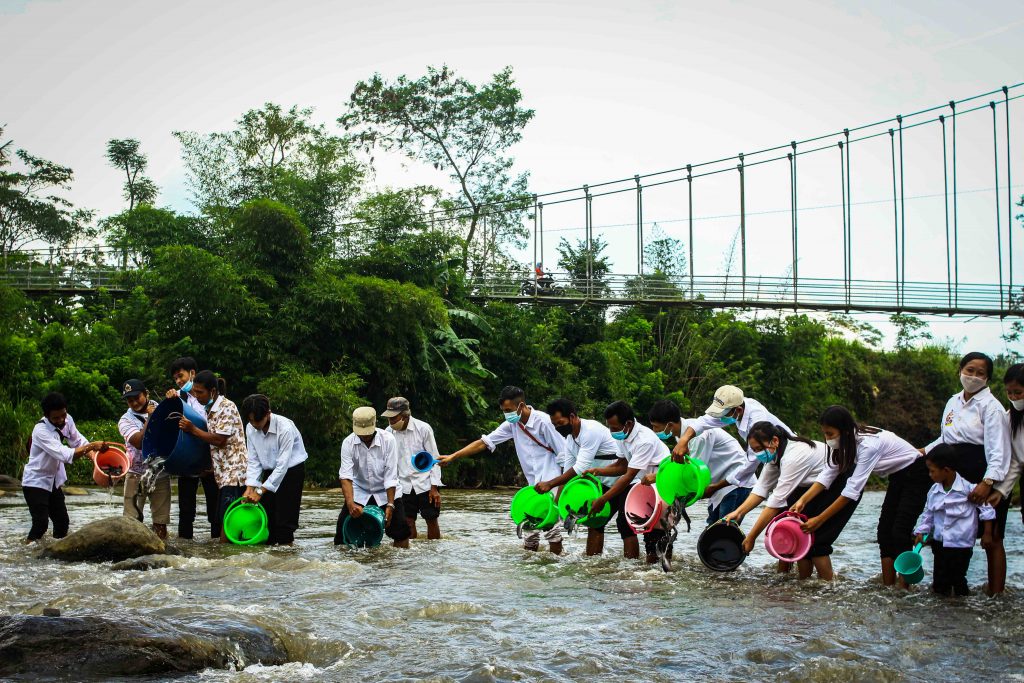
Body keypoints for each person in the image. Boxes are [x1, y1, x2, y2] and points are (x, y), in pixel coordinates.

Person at [790, 405, 929, 586]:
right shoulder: (844, 444)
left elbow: (851, 492)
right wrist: (803, 500)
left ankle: (903, 589)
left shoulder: (868, 445)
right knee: (884, 532)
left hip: (916, 472)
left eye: (830, 434)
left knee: (899, 532)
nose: (827, 439)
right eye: (825, 434)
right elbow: (828, 474)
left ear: (845, 431)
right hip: (897, 476)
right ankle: (888, 587)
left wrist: (820, 519)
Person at [439, 386, 566, 554]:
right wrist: (453, 456)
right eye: (504, 411)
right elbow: (484, 442)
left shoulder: (544, 422)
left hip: (552, 483)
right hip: (532, 488)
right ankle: (531, 569)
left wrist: (558, 495)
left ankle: (556, 567)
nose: (506, 414)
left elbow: (565, 457)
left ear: (521, 405)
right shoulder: (513, 424)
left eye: (508, 410)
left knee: (552, 531)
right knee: (528, 528)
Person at [923, 351, 1010, 595]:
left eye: (980, 373)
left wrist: (987, 482)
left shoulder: (992, 407)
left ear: (988, 378)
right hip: (952, 474)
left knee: (992, 538)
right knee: (950, 530)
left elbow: (998, 450)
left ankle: (996, 595)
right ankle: (948, 587)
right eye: (969, 370)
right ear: (960, 370)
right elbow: (945, 438)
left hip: (980, 473)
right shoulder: (953, 402)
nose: (973, 376)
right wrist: (924, 450)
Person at [723, 422, 836, 579]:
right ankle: (803, 583)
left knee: (817, 544)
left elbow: (775, 502)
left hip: (836, 484)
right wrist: (738, 512)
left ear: (774, 441)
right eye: (754, 450)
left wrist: (751, 537)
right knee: (799, 534)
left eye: (759, 449)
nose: (757, 454)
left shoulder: (793, 456)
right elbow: (761, 489)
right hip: (811, 487)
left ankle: (828, 588)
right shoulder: (775, 457)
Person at [533, 398, 635, 557]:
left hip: (626, 479)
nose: (558, 428)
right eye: (555, 426)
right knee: (594, 522)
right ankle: (593, 564)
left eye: (560, 423)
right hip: (603, 483)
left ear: (572, 417)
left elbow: (579, 469)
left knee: (624, 524)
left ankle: (633, 567)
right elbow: (567, 473)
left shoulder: (590, 430)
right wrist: (556, 504)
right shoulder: (570, 440)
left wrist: (549, 483)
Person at [586, 401, 674, 567]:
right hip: (641, 482)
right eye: (609, 427)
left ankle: (656, 569)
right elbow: (622, 465)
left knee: (655, 529)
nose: (611, 432)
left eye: (614, 428)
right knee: (623, 522)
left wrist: (603, 499)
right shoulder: (623, 435)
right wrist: (598, 471)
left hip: (659, 483)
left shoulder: (644, 440)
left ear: (628, 424)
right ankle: (633, 566)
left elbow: (628, 476)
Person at [647, 399, 755, 524]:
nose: (654, 431)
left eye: (656, 427)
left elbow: (694, 472)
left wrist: (658, 476)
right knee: (712, 534)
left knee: (725, 532)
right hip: (718, 486)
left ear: (670, 425)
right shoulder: (681, 437)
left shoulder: (698, 436)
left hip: (736, 483)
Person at [914, 445, 996, 597]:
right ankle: (940, 614)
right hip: (940, 542)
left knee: (958, 579)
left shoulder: (968, 489)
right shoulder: (934, 491)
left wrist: (988, 533)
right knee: (939, 580)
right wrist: (921, 531)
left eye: (932, 471)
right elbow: (928, 513)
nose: (930, 475)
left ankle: (961, 611)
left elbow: (987, 509)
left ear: (946, 470)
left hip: (961, 544)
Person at [178, 371, 248, 542]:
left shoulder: (226, 407)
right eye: (195, 392)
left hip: (234, 473)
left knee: (227, 521)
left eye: (200, 392)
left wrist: (192, 429)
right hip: (222, 474)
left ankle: (224, 560)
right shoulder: (211, 408)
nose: (197, 396)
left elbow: (219, 440)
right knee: (223, 519)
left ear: (213, 391)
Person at [22, 392, 101, 541]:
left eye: (63, 415)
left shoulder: (67, 419)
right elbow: (65, 454)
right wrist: (91, 446)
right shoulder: (41, 431)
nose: (61, 420)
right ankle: (27, 553)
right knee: (40, 524)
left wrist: (96, 460)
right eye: (56, 418)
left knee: (62, 523)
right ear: (47, 416)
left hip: (52, 480)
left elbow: (77, 441)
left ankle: (57, 555)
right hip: (35, 482)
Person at [335, 406, 410, 549]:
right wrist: (351, 505)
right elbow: (345, 476)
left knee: (401, 531)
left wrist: (390, 505)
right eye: (361, 434)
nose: (365, 436)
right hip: (360, 491)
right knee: (341, 535)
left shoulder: (388, 440)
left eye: (367, 433)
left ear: (374, 424)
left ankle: (398, 568)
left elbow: (390, 475)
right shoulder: (348, 443)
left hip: (385, 491)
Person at [241, 394, 308, 545]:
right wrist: (250, 487)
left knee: (285, 521)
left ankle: (287, 558)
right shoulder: (250, 427)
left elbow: (283, 466)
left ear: (268, 413)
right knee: (267, 518)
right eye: (250, 420)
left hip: (291, 471)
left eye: (257, 420)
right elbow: (254, 460)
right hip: (269, 471)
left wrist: (260, 491)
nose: (254, 424)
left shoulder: (285, 428)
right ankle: (270, 562)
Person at [671, 385, 793, 464]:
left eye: (722, 413)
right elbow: (702, 422)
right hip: (771, 458)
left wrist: (721, 484)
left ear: (738, 410)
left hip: (788, 453)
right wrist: (684, 441)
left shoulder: (757, 420)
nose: (720, 417)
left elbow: (752, 460)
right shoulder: (733, 408)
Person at [167, 356, 218, 540]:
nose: (179, 381)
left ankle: (217, 549)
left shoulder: (209, 398)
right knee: (186, 510)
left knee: (214, 508)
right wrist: (172, 400)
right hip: (187, 458)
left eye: (181, 376)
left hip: (210, 458)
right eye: (175, 379)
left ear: (192, 374)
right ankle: (184, 550)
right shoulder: (179, 398)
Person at [383, 396, 443, 540]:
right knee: (408, 522)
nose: (391, 421)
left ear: (405, 415)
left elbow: (435, 458)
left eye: (394, 418)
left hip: (426, 484)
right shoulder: (388, 433)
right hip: (402, 485)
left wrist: (434, 488)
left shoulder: (423, 428)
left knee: (431, 520)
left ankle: (434, 552)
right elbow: (388, 464)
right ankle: (412, 558)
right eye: (389, 418)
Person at [118, 379, 171, 540]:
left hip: (159, 473)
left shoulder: (160, 406)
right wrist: (150, 416)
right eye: (129, 400)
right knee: (130, 522)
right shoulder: (125, 420)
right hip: (136, 474)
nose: (134, 402)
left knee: (160, 523)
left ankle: (161, 555)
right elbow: (140, 442)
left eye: (137, 397)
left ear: (146, 394)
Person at [989, 364, 1024, 542]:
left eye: (1018, 392)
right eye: (1009, 393)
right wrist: (1001, 491)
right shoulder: (1011, 418)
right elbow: (1017, 462)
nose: (1013, 397)